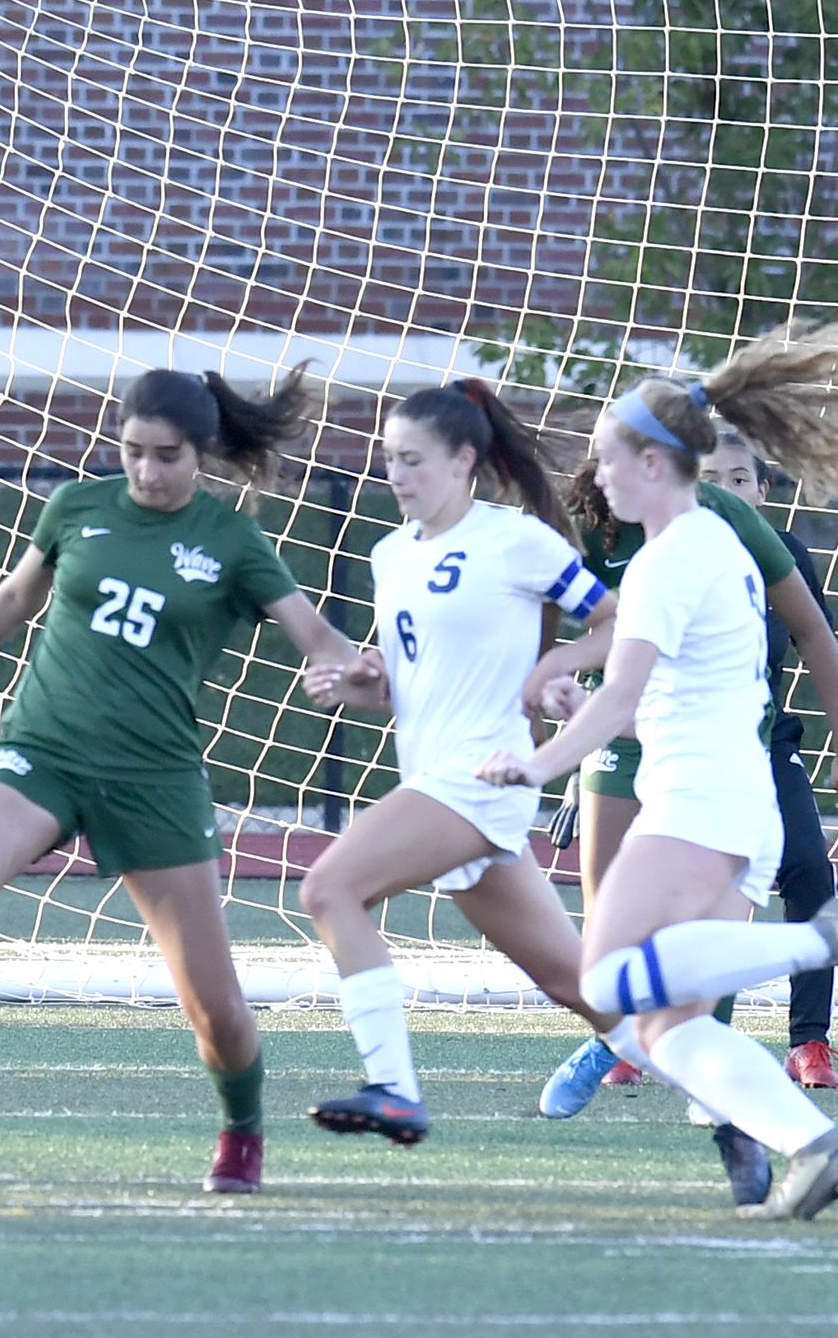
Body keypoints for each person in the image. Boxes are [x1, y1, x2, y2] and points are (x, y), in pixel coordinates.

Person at [477, 320, 838, 1222]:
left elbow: (624, 699)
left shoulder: (673, 556)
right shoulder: (714, 542)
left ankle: (828, 939)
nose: (597, 473)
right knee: (669, 1025)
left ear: (654, 464)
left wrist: (536, 764)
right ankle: (816, 1147)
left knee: (605, 981)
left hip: (701, 801)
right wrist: (568, 687)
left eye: (610, 456)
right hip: (728, 797)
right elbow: (636, 685)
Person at [0, 366, 363, 1196]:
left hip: (155, 780)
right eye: (131, 452)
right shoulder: (77, 509)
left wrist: (350, 670)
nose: (145, 472)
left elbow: (316, 636)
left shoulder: (232, 543)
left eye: (165, 456)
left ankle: (242, 1129)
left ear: (199, 453)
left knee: (215, 1008)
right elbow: (14, 596)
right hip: (41, 751)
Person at [293, 381, 619, 1146]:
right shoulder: (389, 554)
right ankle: (749, 1101)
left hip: (484, 778)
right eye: (388, 461)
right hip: (436, 781)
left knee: (330, 888)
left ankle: (394, 1090)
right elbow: (409, 686)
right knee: (573, 984)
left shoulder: (516, 539)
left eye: (413, 460)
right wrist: (360, 683)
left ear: (464, 460)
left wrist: (557, 663)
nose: (397, 476)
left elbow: (618, 621)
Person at [697, 425, 838, 1089]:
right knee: (667, 890)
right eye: (709, 478)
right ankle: (636, 1039)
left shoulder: (780, 557)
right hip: (671, 752)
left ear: (763, 491)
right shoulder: (659, 553)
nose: (725, 491)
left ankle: (810, 1044)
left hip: (763, 745)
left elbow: (820, 644)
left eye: (740, 479)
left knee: (808, 869)